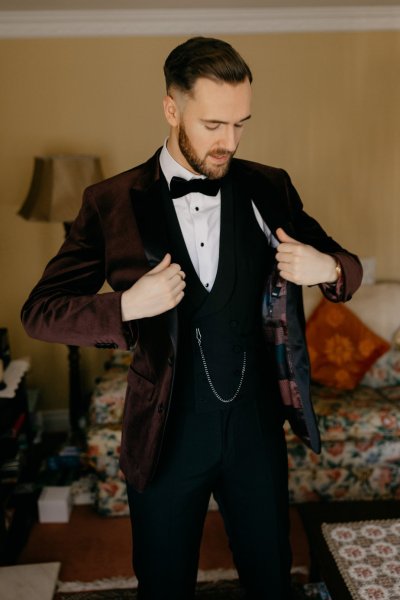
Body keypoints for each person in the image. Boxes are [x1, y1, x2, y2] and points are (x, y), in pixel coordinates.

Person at [22, 36, 362, 600]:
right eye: (213, 125)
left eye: (241, 124)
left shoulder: (268, 186)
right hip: (165, 431)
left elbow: (345, 266)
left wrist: (325, 265)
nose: (229, 142)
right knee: (163, 585)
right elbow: (41, 312)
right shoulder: (112, 202)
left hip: (256, 427)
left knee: (272, 576)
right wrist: (127, 304)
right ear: (171, 108)